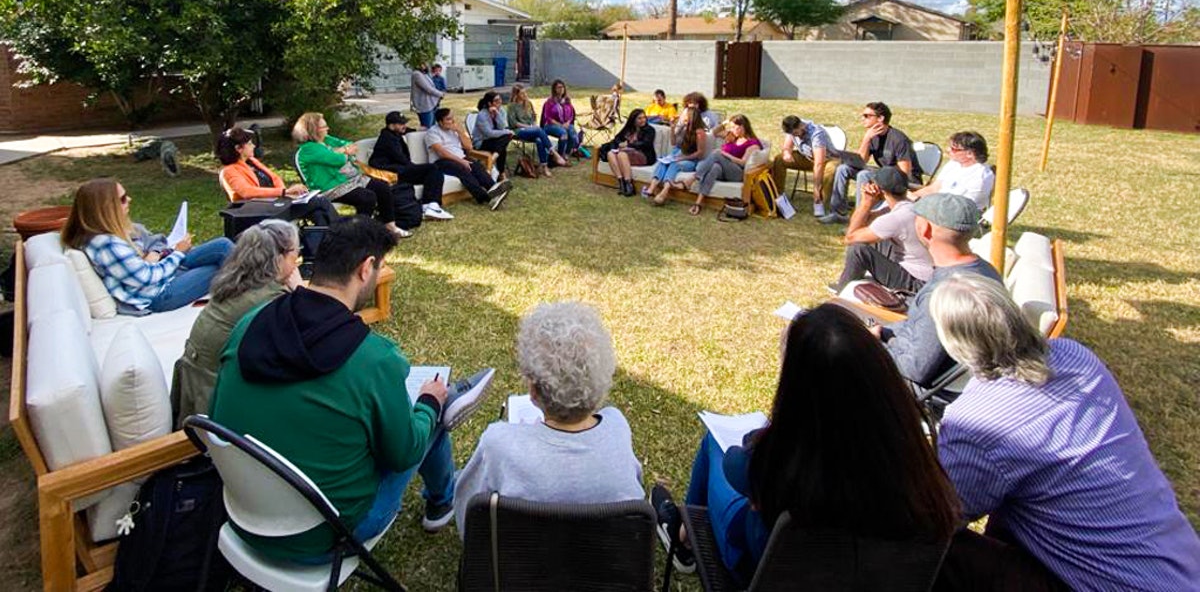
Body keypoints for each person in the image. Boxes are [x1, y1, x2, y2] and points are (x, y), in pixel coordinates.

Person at [209, 217, 496, 560]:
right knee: (429, 415)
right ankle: (442, 500)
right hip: (327, 535)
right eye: (381, 267)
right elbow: (403, 454)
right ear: (366, 268)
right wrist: (427, 406)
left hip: (244, 517)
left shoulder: (248, 324)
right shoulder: (375, 359)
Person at [652, 304, 961, 586]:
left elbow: (736, 465)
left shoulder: (783, 464)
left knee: (713, 446)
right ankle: (681, 537)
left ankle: (682, 540)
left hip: (764, 572)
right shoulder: (919, 469)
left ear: (798, 386)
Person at [930, 275, 1200, 591]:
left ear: (953, 344)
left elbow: (938, 518)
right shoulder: (1076, 356)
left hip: (1107, 585)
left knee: (934, 551)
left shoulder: (977, 424)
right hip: (1179, 569)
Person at [452, 302, 644, 536]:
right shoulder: (617, 427)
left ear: (533, 390)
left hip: (518, 568)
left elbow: (468, 520)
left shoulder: (498, 444)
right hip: (600, 568)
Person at [171, 220, 300, 428]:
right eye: (295, 253)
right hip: (216, 403)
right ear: (279, 258)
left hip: (195, 389)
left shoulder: (234, 282)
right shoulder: (270, 300)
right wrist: (299, 291)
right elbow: (305, 340)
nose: (296, 261)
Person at [868, 193, 1002, 388]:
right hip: (944, 366)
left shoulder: (944, 293)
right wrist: (884, 331)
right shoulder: (985, 269)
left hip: (913, 388)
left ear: (926, 230)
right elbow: (923, 330)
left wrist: (869, 347)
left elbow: (914, 369)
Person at [61, 178, 234, 313]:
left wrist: (159, 253)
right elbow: (147, 277)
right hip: (159, 295)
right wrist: (178, 253)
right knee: (226, 268)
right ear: (106, 208)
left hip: (164, 272)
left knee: (222, 245)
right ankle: (255, 298)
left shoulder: (112, 231)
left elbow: (152, 243)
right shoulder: (106, 244)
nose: (129, 199)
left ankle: (257, 291)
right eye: (122, 199)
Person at [292, 112, 411, 240]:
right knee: (367, 197)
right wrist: (343, 152)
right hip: (328, 188)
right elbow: (338, 160)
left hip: (347, 180)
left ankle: (390, 227)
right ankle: (359, 234)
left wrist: (343, 151)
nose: (328, 129)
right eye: (324, 127)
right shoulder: (308, 149)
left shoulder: (326, 140)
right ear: (313, 130)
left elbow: (351, 145)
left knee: (382, 188)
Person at [831, 165, 933, 294]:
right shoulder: (908, 206)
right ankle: (850, 282)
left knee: (858, 250)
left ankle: (841, 296)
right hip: (928, 277)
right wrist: (868, 205)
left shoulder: (895, 217)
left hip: (916, 283)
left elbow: (850, 238)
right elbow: (866, 221)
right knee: (876, 237)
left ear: (880, 190)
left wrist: (866, 203)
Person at [821, 101, 919, 224]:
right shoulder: (873, 136)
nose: (863, 119)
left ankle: (860, 219)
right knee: (843, 169)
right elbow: (862, 160)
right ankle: (837, 213)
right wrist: (866, 139)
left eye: (867, 116)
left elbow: (905, 172)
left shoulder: (898, 139)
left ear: (880, 118)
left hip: (902, 179)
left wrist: (880, 176)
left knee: (864, 175)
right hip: (885, 173)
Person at [216, 127, 338, 226]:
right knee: (320, 201)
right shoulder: (229, 171)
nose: (253, 146)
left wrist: (287, 195)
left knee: (319, 213)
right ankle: (343, 237)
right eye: (249, 143)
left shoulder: (251, 161)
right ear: (238, 149)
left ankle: (322, 249)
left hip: (277, 205)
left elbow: (275, 178)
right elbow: (247, 192)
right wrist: (284, 192)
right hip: (260, 213)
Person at [369, 111, 453, 221]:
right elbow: (401, 159)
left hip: (399, 169)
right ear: (391, 125)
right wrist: (415, 168)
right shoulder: (387, 139)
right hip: (391, 173)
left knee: (433, 172)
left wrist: (416, 130)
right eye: (401, 124)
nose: (404, 126)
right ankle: (430, 205)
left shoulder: (393, 133)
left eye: (404, 123)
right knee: (431, 169)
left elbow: (405, 131)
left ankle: (429, 206)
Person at [426, 108, 512, 210]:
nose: (452, 121)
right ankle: (485, 198)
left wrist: (460, 131)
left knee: (477, 167)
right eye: (448, 119)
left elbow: (469, 147)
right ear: (440, 122)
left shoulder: (454, 130)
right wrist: (461, 161)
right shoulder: (432, 133)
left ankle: (495, 190)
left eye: (453, 118)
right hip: (441, 161)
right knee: (463, 170)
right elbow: (442, 153)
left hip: (460, 158)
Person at [689, 114, 761, 216]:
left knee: (717, 153)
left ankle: (694, 177)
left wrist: (725, 155)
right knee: (715, 168)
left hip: (737, 173)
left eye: (734, 127)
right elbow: (714, 132)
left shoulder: (752, 143)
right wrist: (725, 122)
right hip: (724, 170)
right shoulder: (732, 137)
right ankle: (698, 203)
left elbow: (743, 162)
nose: (731, 129)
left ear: (742, 127)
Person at [645, 99, 708, 204]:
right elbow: (674, 143)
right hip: (678, 155)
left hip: (691, 160)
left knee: (674, 163)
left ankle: (664, 192)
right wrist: (673, 128)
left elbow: (700, 153)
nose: (684, 117)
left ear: (694, 117)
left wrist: (683, 157)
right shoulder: (683, 127)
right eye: (685, 114)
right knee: (663, 162)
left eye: (687, 115)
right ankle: (652, 188)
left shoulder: (699, 132)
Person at [910, 131, 994, 210]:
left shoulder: (981, 176)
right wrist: (910, 197)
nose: (948, 150)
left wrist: (921, 202)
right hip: (936, 207)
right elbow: (933, 188)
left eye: (954, 149)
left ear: (970, 154)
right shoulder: (953, 164)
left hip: (955, 215)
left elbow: (962, 207)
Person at [771, 115, 834, 218]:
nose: (795, 136)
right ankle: (778, 197)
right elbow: (787, 146)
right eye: (792, 134)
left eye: (796, 133)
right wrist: (787, 153)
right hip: (807, 156)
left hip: (826, 159)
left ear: (801, 126)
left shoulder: (816, 133)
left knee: (831, 170)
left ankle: (821, 202)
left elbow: (819, 163)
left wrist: (816, 187)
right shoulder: (792, 130)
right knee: (779, 159)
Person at [507, 84, 567, 173]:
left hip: (532, 129)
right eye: (522, 94)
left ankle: (544, 166)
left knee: (539, 140)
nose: (525, 95)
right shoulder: (512, 106)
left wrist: (533, 124)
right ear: (516, 95)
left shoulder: (528, 103)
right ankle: (555, 153)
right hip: (519, 131)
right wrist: (529, 127)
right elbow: (513, 123)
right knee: (539, 130)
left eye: (525, 93)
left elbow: (533, 117)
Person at [599, 108, 657, 197]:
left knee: (621, 154)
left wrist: (628, 144)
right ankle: (621, 183)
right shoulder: (629, 128)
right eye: (639, 118)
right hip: (628, 153)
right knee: (610, 153)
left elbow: (646, 144)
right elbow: (617, 137)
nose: (643, 120)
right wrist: (620, 143)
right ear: (633, 120)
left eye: (644, 117)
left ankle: (629, 184)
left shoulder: (649, 130)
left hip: (645, 155)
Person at [471, 91, 514, 180]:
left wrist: (497, 114)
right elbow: (489, 133)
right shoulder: (482, 115)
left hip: (495, 140)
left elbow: (502, 126)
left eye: (500, 99)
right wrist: (507, 132)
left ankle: (494, 157)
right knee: (505, 139)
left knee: (506, 138)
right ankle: (502, 173)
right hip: (482, 142)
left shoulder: (501, 110)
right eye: (496, 101)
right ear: (489, 103)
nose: (500, 102)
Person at [540, 79, 581, 158]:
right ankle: (560, 155)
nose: (561, 89)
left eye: (562, 87)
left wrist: (568, 123)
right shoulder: (550, 102)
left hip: (565, 124)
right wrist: (560, 125)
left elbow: (572, 114)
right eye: (559, 87)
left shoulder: (567, 100)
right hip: (550, 125)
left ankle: (567, 153)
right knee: (563, 133)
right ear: (554, 89)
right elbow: (548, 117)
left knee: (572, 134)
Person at [411, 63, 444, 128]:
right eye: (422, 63)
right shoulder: (417, 74)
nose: (425, 65)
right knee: (427, 128)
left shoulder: (425, 74)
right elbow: (428, 88)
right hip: (425, 106)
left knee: (433, 127)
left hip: (432, 104)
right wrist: (441, 94)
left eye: (426, 63)